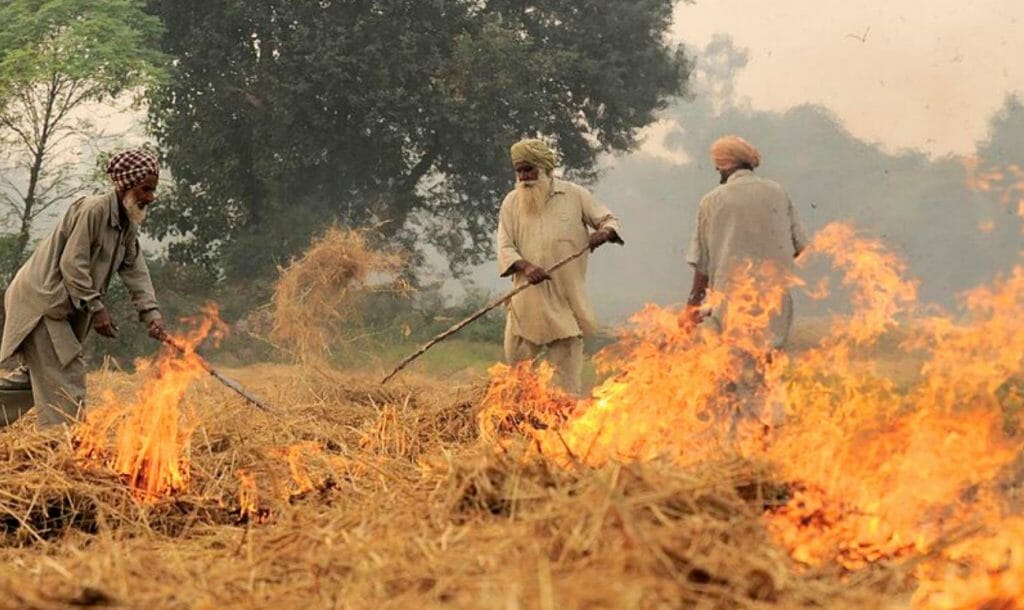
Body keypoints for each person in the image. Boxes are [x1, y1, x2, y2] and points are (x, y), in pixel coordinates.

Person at [0, 149, 166, 427]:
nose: (150, 197)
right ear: (125, 185)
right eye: (145, 189)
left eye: (152, 190)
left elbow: (135, 269)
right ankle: (62, 447)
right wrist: (96, 306)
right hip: (42, 302)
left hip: (58, 306)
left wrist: (152, 314)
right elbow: (72, 264)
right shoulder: (93, 209)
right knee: (66, 372)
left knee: (37, 379)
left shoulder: (128, 222)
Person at [684, 136, 809, 432]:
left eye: (718, 167)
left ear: (725, 165)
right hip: (775, 300)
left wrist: (692, 306)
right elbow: (800, 246)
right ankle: (768, 435)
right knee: (766, 367)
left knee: (732, 373)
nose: (718, 173)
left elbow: (702, 263)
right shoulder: (778, 193)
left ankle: (736, 444)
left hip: (731, 300)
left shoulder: (713, 200)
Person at [496, 138, 623, 396]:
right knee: (517, 381)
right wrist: (526, 266)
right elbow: (505, 247)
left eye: (529, 169)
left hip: (565, 301)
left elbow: (609, 220)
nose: (524, 177)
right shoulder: (511, 202)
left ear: (545, 168)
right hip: (526, 302)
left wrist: (604, 232)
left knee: (565, 386)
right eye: (519, 171)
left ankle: (565, 427)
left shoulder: (575, 195)